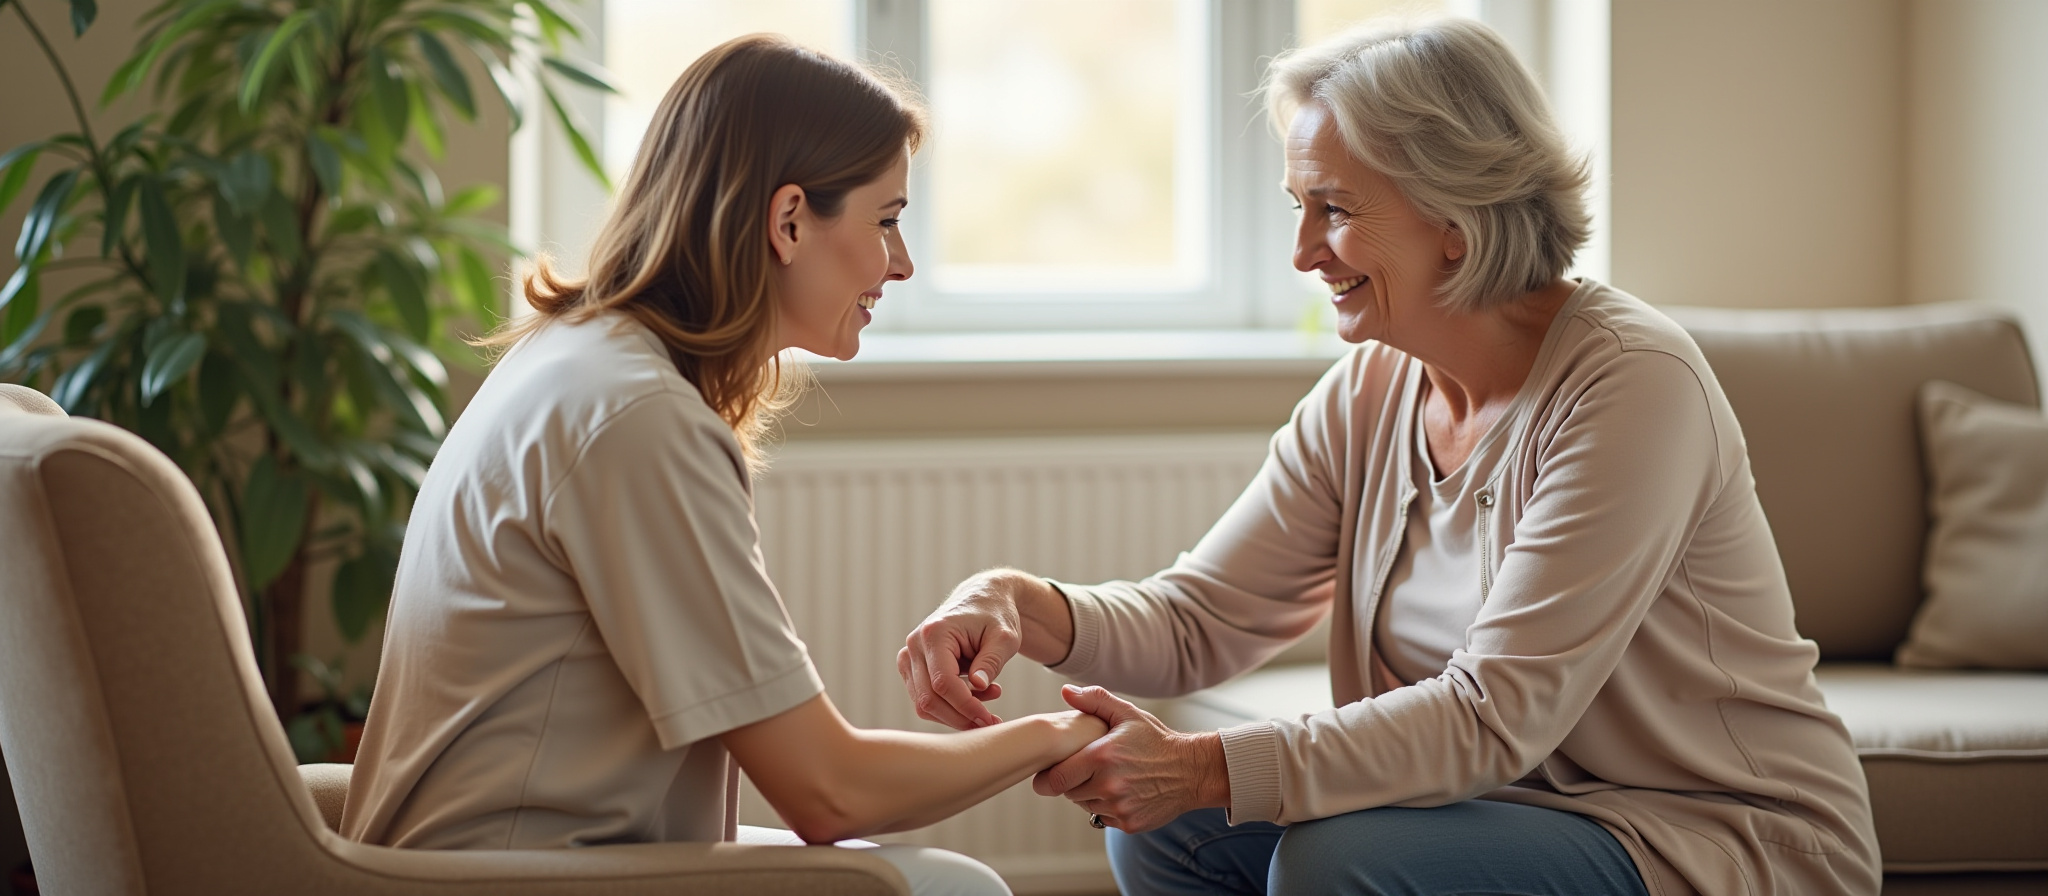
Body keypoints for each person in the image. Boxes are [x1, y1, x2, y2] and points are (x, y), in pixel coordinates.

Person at [897, 17, 1879, 896]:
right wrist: (1014, 602)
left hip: (1703, 835)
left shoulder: (1630, 384)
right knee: (1168, 834)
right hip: (1495, 806)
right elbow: (1201, 616)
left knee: (1328, 858)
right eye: (1296, 205)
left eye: (1330, 207)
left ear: (1453, 219)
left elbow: (1493, 714)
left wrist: (1200, 763)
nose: (1300, 251)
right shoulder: (1371, 391)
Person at [341, 35, 1104, 896]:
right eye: (885, 220)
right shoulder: (639, 418)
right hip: (517, 880)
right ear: (787, 222)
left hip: (516, 861)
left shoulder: (581, 359)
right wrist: (1062, 734)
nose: (902, 262)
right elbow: (828, 790)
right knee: (956, 889)